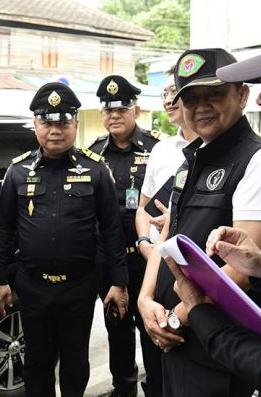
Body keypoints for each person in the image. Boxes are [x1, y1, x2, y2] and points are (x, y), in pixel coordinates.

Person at [164, 6, 261, 397]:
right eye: (190, 98)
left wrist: (193, 311)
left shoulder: (259, 159)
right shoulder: (193, 157)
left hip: (220, 353)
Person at [0, 82, 128, 397]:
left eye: (63, 122)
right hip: (32, 286)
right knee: (36, 361)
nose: (55, 131)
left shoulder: (95, 170)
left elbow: (111, 230)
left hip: (79, 287)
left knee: (75, 360)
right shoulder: (18, 171)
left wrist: (118, 282)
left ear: (75, 124)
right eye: (47, 122)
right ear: (36, 125)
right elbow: (4, 230)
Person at [88, 75, 162, 397]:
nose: (115, 115)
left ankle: (157, 388)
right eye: (109, 110)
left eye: (122, 109)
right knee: (116, 330)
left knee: (152, 330)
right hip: (109, 260)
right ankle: (124, 389)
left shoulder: (158, 150)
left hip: (147, 260)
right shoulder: (93, 154)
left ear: (136, 110)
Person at [135, 67, 197, 257]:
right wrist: (144, 242)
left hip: (193, 258)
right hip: (155, 255)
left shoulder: (216, 150)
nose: (168, 100)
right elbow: (143, 207)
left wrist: (174, 223)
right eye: (164, 94)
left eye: (174, 92)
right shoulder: (161, 149)